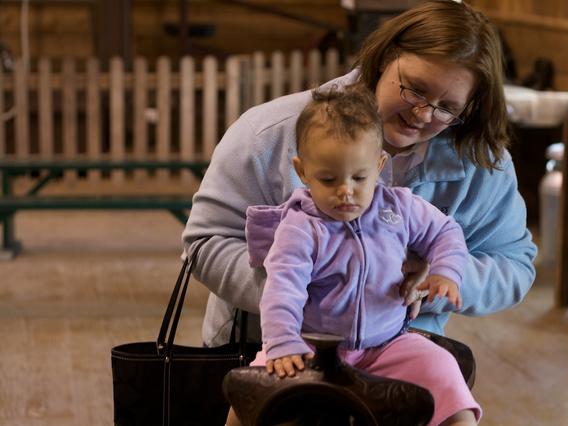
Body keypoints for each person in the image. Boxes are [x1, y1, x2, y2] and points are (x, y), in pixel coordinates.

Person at [183, 0, 535, 392]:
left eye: (446, 108)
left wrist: (436, 282)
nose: (422, 113)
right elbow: (204, 243)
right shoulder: (269, 133)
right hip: (271, 351)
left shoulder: (482, 161)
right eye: (414, 88)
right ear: (386, 57)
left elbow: (513, 263)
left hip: (401, 356)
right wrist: (305, 294)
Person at [224, 85, 479, 426]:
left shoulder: (399, 208)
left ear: (379, 165)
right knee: (249, 390)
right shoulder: (300, 228)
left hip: (387, 344)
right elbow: (283, 289)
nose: (346, 191)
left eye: (360, 177)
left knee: (444, 369)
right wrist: (283, 343)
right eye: (328, 179)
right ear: (302, 172)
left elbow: (445, 232)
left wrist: (445, 271)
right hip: (312, 347)